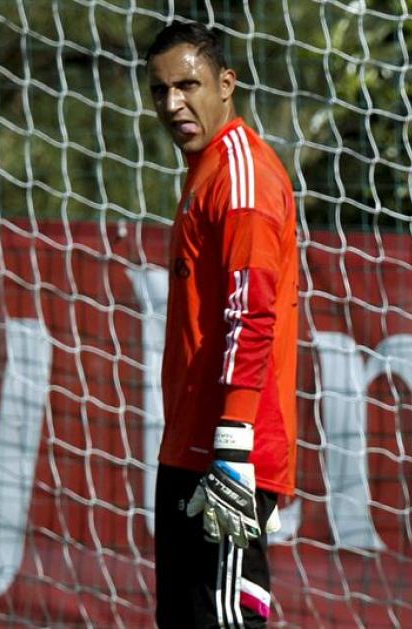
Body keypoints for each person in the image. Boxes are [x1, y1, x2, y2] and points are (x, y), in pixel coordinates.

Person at [145, 21, 298, 628]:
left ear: (226, 84)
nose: (174, 103)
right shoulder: (205, 169)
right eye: (160, 90)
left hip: (229, 450)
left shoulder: (241, 176)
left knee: (225, 620)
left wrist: (234, 448)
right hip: (190, 446)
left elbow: (251, 310)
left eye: (189, 85)